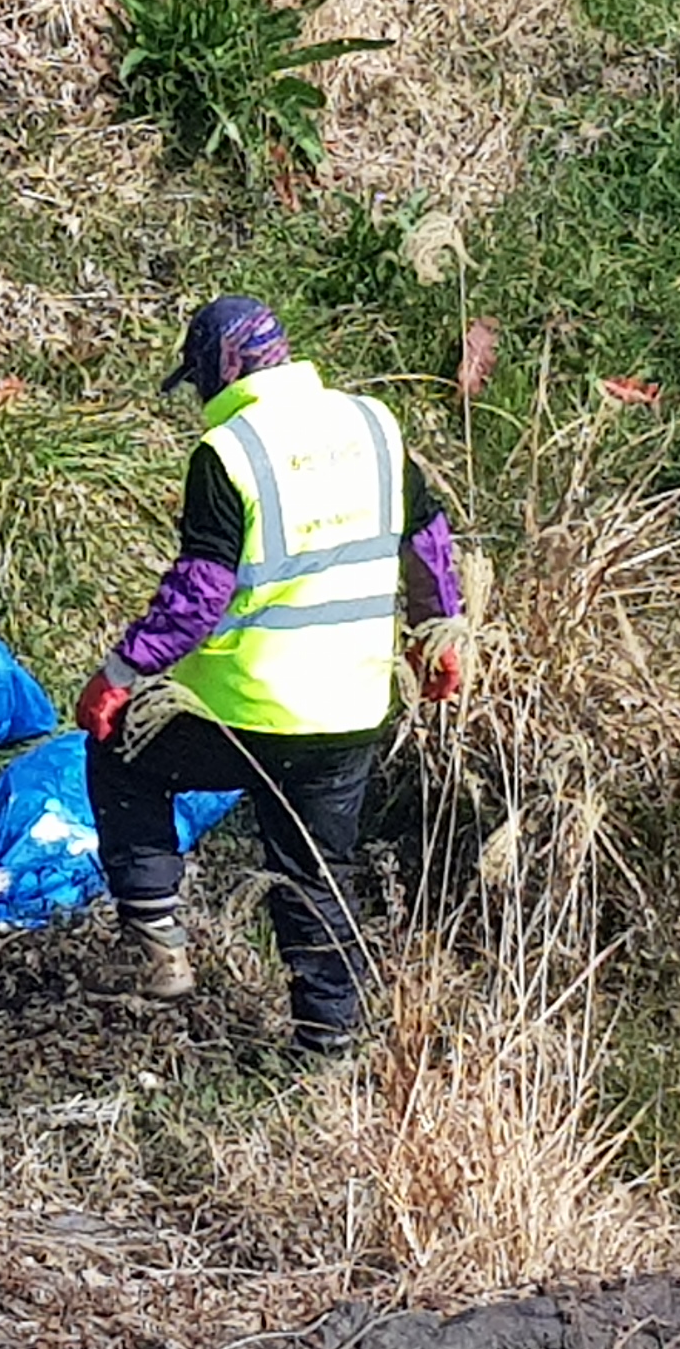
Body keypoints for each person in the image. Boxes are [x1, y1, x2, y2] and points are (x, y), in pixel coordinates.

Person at [75, 295, 464, 1056]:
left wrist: (118, 675)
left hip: (242, 711)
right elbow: (430, 542)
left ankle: (156, 950)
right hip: (352, 708)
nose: (200, 402)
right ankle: (326, 1049)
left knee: (120, 750)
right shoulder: (374, 425)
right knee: (318, 876)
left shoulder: (229, 452)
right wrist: (435, 639)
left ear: (222, 370)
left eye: (199, 384)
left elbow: (201, 595)